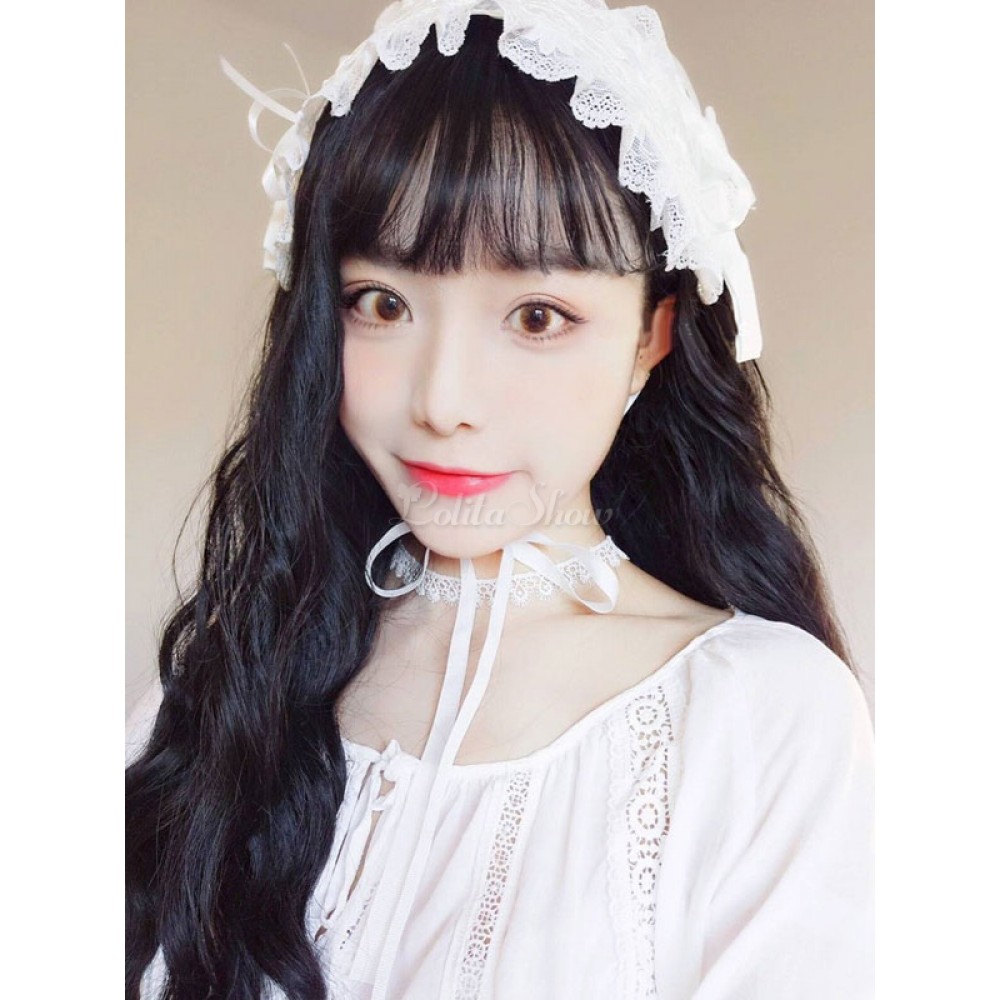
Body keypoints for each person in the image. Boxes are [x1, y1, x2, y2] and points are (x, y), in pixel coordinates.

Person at [125, 2, 875, 998]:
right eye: (382, 303)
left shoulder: (762, 716)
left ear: (650, 337)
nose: (443, 402)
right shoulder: (218, 688)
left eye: (537, 316)